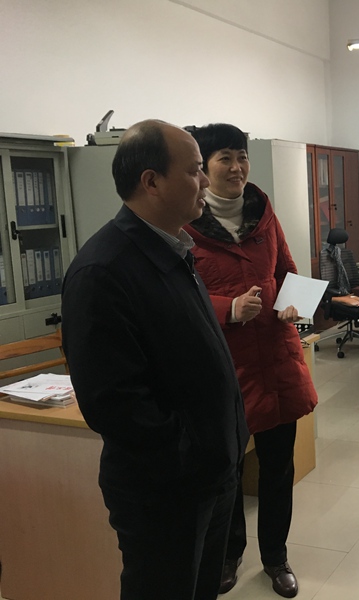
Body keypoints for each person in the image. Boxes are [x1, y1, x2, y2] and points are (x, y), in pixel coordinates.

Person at [61, 120, 248, 600]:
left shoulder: (174, 249)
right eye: (194, 170)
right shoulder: (104, 270)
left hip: (210, 477)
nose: (204, 180)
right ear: (151, 182)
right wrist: (192, 456)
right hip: (165, 492)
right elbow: (114, 404)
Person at [183, 123, 317, 598]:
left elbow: (287, 271)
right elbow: (179, 295)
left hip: (275, 360)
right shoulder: (185, 223)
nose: (237, 167)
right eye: (225, 158)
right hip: (225, 366)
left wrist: (294, 304)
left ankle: (276, 557)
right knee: (228, 473)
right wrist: (229, 308)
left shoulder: (263, 213)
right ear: (203, 167)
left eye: (242, 156)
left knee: (278, 469)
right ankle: (229, 554)